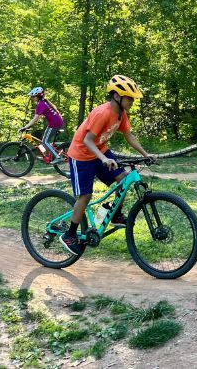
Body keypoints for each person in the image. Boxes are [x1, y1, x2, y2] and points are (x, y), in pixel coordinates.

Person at [61, 75, 154, 255]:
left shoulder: (121, 114)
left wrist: (145, 154)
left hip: (100, 151)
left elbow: (129, 136)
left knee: (124, 179)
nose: (132, 101)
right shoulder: (102, 113)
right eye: (129, 98)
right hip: (81, 155)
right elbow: (88, 140)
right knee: (85, 196)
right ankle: (69, 234)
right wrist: (103, 159)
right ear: (117, 97)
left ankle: (116, 214)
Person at [20, 86, 65, 165]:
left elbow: (35, 119)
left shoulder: (41, 104)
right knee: (44, 140)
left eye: (33, 96)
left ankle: (58, 157)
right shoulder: (43, 102)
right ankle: (47, 156)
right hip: (55, 122)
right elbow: (40, 117)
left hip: (54, 123)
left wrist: (25, 127)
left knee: (45, 141)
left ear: (38, 96)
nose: (32, 98)